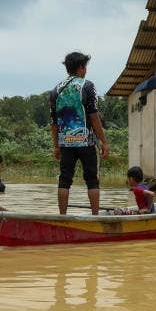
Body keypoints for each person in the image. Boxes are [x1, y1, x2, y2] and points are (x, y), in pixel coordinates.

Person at [50, 51, 110, 215]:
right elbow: (94, 116)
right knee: (92, 180)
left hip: (65, 143)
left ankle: (62, 216)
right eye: (85, 67)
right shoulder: (87, 86)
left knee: (64, 180)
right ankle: (95, 216)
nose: (86, 71)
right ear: (81, 68)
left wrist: (56, 146)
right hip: (86, 141)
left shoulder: (56, 90)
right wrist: (104, 141)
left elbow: (54, 123)